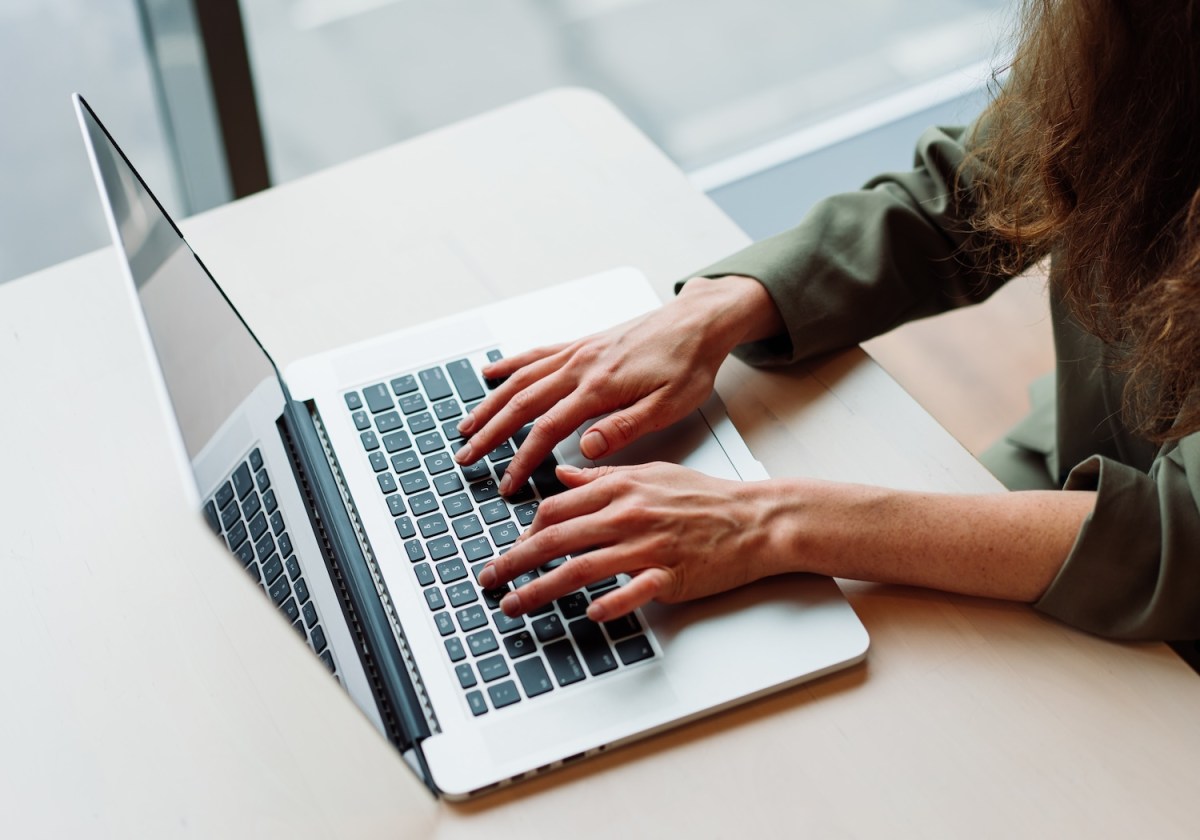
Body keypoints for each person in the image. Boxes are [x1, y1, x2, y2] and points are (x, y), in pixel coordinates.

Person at [453, 0, 1200, 645]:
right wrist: (719, 307)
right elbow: (973, 189)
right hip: (1074, 456)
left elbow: (1176, 538)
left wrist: (773, 521)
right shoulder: (1138, 32)